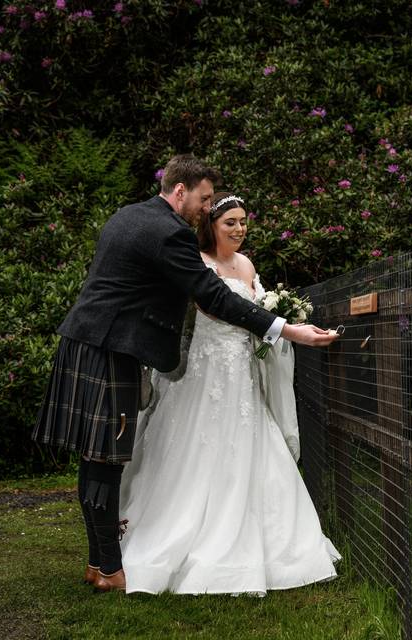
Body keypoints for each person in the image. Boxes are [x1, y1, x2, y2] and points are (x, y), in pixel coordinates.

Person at [32, 156, 337, 592]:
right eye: (205, 198)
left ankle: (100, 563)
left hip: (86, 342)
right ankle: (110, 571)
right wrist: (287, 330)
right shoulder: (169, 231)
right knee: (107, 461)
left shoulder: (127, 216)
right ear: (181, 191)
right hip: (109, 349)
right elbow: (211, 293)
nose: (205, 207)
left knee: (94, 458)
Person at [117, 192, 340, 595]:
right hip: (208, 368)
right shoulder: (198, 263)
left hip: (244, 370)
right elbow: (217, 308)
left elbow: (256, 310)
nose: (239, 229)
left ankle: (276, 542)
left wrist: (278, 314)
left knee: (255, 440)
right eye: (229, 223)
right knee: (198, 447)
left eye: (243, 222)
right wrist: (276, 325)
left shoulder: (247, 264)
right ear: (211, 227)